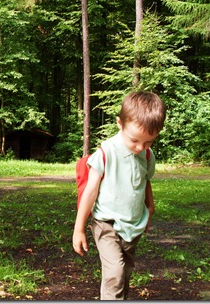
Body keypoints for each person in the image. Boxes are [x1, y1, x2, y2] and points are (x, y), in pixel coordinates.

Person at [72, 91, 166, 300]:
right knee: (115, 273)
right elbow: (90, 192)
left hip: (132, 226)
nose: (140, 147)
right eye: (135, 140)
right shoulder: (106, 153)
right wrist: (78, 229)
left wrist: (150, 209)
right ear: (119, 123)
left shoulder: (147, 154)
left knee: (124, 274)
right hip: (106, 223)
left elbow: (145, 181)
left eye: (149, 142)